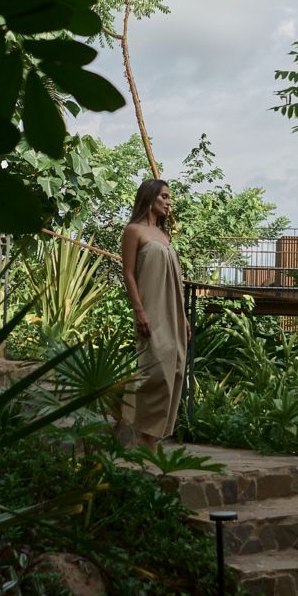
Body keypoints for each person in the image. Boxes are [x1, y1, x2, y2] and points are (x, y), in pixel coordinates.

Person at [118, 178, 188, 451]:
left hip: (173, 312)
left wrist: (182, 318)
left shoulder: (165, 236)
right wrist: (139, 312)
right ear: (150, 198)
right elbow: (128, 273)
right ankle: (146, 439)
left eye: (169, 197)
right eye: (165, 197)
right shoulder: (133, 231)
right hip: (150, 309)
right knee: (155, 369)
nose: (169, 202)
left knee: (177, 368)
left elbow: (176, 282)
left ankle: (152, 434)